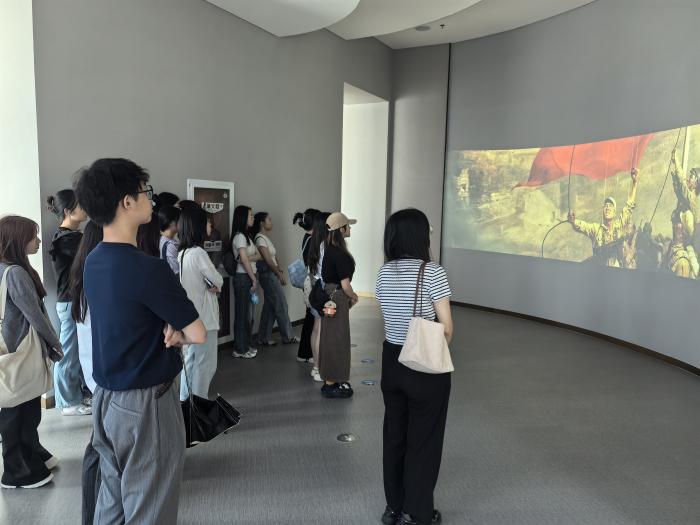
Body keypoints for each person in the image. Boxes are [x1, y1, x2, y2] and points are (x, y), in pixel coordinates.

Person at [75, 158, 206, 524]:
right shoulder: (149, 268)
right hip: (146, 403)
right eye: (145, 191)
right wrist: (178, 332)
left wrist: (169, 326)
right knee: (150, 509)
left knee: (112, 503)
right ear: (127, 202)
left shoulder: (93, 260)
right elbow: (198, 333)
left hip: (106, 399)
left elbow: (127, 318)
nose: (150, 198)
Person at [375, 208, 453, 525]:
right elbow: (447, 329)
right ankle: (419, 511)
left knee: (395, 434)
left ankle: (393, 507)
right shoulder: (432, 272)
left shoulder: (383, 272)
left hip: (391, 362)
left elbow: (388, 317)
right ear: (420, 236)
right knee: (424, 439)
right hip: (423, 364)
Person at [0, 216, 62, 489]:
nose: (38, 241)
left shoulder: (7, 270)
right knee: (19, 410)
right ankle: (17, 471)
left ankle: (31, 454)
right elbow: (35, 316)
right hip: (20, 349)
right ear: (17, 240)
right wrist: (54, 344)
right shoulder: (14, 273)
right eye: (32, 236)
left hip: (11, 348)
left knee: (20, 407)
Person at [68, 221, 103, 524]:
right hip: (105, 377)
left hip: (96, 374)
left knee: (99, 445)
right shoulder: (98, 278)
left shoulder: (83, 275)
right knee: (99, 447)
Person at [47, 189, 91, 416]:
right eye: (80, 205)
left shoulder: (70, 237)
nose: (85, 209)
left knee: (77, 351)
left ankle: (78, 394)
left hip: (74, 301)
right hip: (69, 302)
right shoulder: (66, 239)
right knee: (68, 354)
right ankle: (67, 402)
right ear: (68, 211)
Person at [177, 206, 224, 401]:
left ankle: (185, 402)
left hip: (190, 318)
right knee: (205, 365)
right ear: (197, 226)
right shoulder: (198, 253)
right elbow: (218, 280)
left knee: (190, 362)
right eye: (207, 222)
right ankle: (199, 405)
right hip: (204, 319)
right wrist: (214, 284)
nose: (210, 226)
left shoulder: (183, 253)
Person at [318, 212, 359, 398]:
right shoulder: (340, 253)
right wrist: (354, 296)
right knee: (337, 339)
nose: (350, 228)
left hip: (329, 296)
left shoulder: (329, 249)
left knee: (330, 337)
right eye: (347, 226)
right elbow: (345, 285)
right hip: (338, 298)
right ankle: (332, 383)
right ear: (341, 229)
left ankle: (331, 380)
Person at [568, 167, 640, 267]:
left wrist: (634, 183)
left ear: (614, 212)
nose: (608, 208)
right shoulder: (595, 229)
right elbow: (582, 226)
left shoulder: (618, 226)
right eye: (606, 206)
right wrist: (573, 221)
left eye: (610, 206)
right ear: (602, 210)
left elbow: (629, 207)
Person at [253, 212, 298, 346]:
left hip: (271, 274)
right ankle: (288, 337)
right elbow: (267, 260)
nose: (271, 222)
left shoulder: (265, 238)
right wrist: (279, 273)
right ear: (262, 223)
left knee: (270, 307)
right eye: (269, 219)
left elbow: (273, 257)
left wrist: (279, 269)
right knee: (281, 305)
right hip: (268, 275)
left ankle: (263, 338)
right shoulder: (259, 239)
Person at [225, 205, 260, 359]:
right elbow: (244, 261)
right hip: (243, 278)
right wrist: (253, 278)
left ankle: (245, 345)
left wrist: (244, 258)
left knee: (247, 315)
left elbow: (258, 255)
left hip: (248, 276)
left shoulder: (247, 236)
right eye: (250, 215)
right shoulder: (239, 236)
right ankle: (240, 349)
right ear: (243, 218)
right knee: (242, 315)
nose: (253, 218)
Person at [305, 212, 331, 382]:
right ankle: (320, 369)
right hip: (323, 290)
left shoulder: (315, 243)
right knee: (321, 329)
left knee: (316, 328)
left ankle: (316, 367)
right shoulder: (326, 246)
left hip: (315, 289)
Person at [293, 209, 319, 363]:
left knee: (310, 316)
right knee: (312, 317)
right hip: (312, 282)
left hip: (308, 282)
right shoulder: (312, 240)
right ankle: (307, 353)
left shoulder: (307, 238)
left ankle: (304, 353)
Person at [159, 206, 181, 274]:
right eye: (179, 220)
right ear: (171, 222)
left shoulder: (163, 238)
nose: (182, 223)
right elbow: (176, 271)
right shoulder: (170, 244)